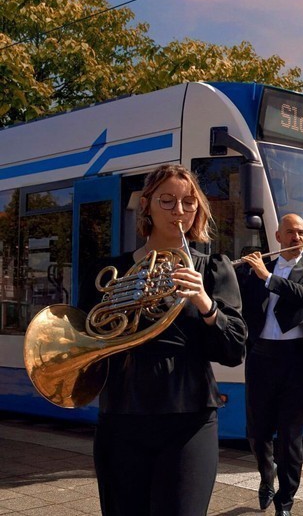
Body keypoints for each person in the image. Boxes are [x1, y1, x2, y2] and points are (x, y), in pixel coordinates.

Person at [77, 163, 247, 515]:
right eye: (167, 201)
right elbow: (87, 343)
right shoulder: (108, 271)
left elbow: (233, 351)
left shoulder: (213, 268)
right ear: (147, 206)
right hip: (123, 415)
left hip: (190, 419)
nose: (180, 211)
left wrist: (205, 303)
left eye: (189, 202)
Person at [238, 213, 303, 516]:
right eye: (290, 232)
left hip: (293, 361)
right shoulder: (259, 268)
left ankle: (285, 503)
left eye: (301, 232)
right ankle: (267, 476)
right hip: (261, 357)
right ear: (277, 237)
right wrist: (241, 268)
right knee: (257, 431)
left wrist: (268, 278)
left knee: (291, 438)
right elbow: (233, 295)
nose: (297, 238)